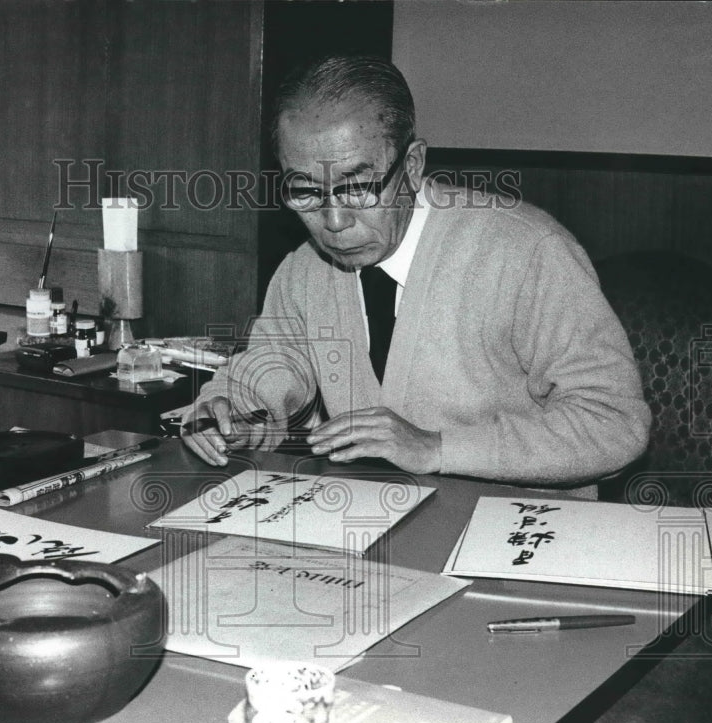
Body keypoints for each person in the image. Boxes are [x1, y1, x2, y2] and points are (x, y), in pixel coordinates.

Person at [181, 54, 650, 487]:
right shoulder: (304, 270)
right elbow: (279, 369)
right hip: (368, 521)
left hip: (514, 531)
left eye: (359, 187)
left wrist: (436, 448)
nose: (335, 222)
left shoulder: (525, 251)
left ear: (412, 165)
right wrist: (231, 412)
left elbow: (614, 424)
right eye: (303, 191)